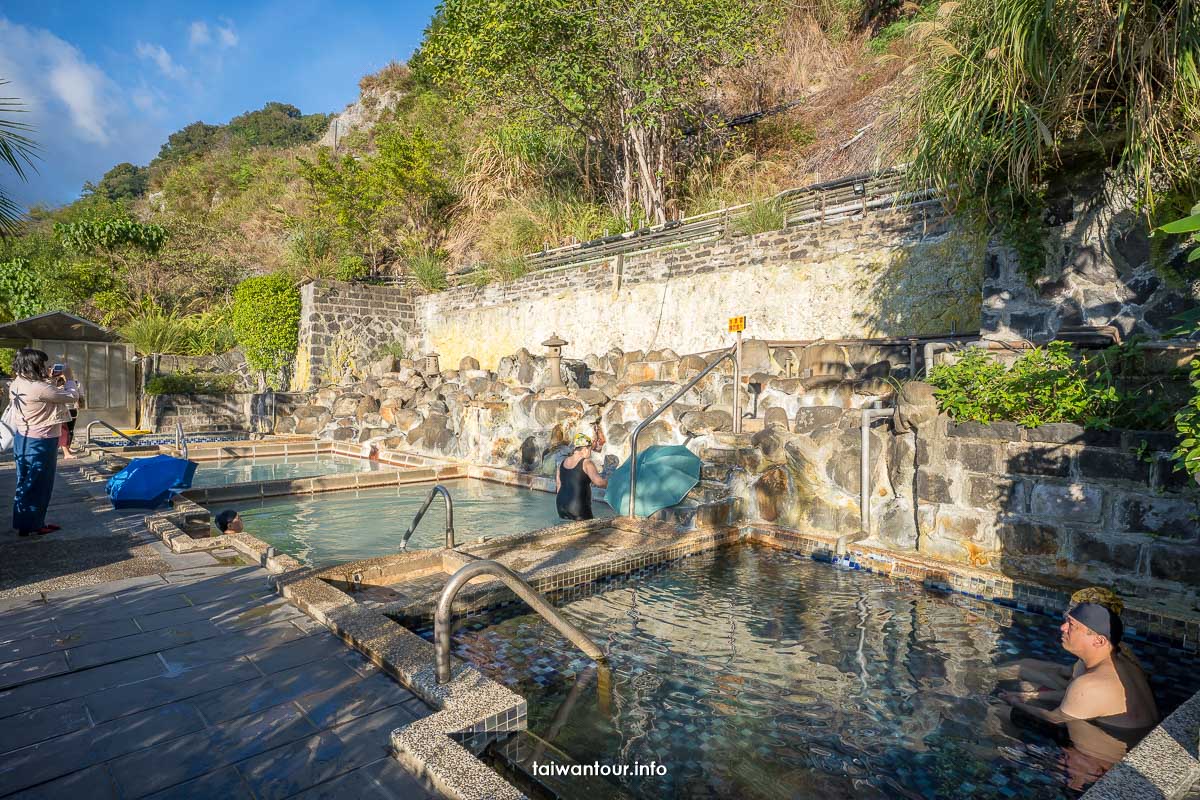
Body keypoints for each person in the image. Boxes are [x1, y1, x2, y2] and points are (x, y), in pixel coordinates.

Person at [998, 601, 1159, 788]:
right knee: (1027, 676)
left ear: (1099, 641)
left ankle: (994, 757)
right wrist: (1031, 696)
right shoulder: (1122, 657)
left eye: (1072, 625)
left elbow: (1053, 719)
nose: (1062, 627)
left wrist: (1014, 701)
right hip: (1121, 737)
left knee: (999, 710)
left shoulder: (1090, 685)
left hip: (1095, 761)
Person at [8, 349, 80, 536]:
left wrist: (50, 380)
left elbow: (44, 392)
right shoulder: (40, 388)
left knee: (24, 481)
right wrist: (69, 376)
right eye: (41, 363)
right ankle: (34, 524)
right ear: (33, 365)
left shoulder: (18, 382)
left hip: (23, 438)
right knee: (40, 483)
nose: (45, 367)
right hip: (42, 441)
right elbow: (72, 396)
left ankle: (24, 524)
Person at [556, 432, 607, 521]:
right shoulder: (586, 463)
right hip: (577, 507)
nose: (590, 453)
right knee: (591, 532)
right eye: (590, 449)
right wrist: (613, 483)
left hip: (561, 505)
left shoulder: (562, 463)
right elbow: (599, 482)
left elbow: (558, 486)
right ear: (585, 449)